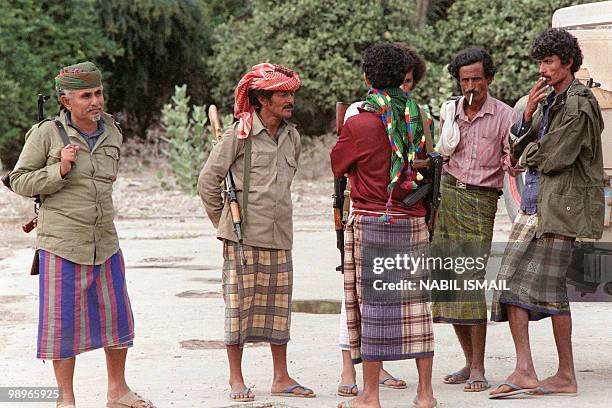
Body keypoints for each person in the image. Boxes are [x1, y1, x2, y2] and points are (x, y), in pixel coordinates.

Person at [10, 62, 154, 408]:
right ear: (65, 101)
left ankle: (118, 392)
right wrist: (57, 169)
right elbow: (18, 180)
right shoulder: (47, 134)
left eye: (98, 93)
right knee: (61, 325)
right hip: (61, 244)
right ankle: (65, 399)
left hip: (105, 241)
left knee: (117, 317)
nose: (95, 101)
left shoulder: (113, 131)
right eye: (85, 95)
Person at [489, 28, 604, 399]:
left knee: (548, 291)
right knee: (509, 285)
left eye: (549, 62)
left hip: (561, 208)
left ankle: (561, 374)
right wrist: (526, 116)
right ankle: (529, 370)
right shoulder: (549, 100)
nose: (543, 69)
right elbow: (516, 144)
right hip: (535, 204)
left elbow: (555, 157)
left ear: (567, 63)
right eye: (540, 62)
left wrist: (525, 155)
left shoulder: (579, 103)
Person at [197, 63, 315, 402]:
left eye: (291, 93)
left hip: (280, 237)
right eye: (282, 94)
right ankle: (237, 379)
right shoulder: (239, 134)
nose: (289, 99)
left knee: (279, 311)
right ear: (262, 99)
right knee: (238, 310)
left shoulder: (292, 137)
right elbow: (208, 182)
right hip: (243, 238)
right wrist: (224, 223)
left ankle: (281, 377)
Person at [331, 42, 437, 408]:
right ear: (402, 78)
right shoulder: (417, 115)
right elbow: (424, 160)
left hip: (372, 220)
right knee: (416, 306)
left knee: (372, 308)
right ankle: (425, 395)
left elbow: (338, 165)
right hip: (412, 220)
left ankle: (371, 396)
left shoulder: (359, 122)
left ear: (367, 78)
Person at [430, 47, 520, 392]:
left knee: (470, 281)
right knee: (447, 282)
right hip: (447, 196)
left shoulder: (505, 115)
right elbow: (442, 152)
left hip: (480, 201)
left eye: (477, 79)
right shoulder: (450, 110)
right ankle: (469, 362)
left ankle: (479, 366)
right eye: (465, 79)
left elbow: (512, 164)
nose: (471, 85)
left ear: (490, 79)